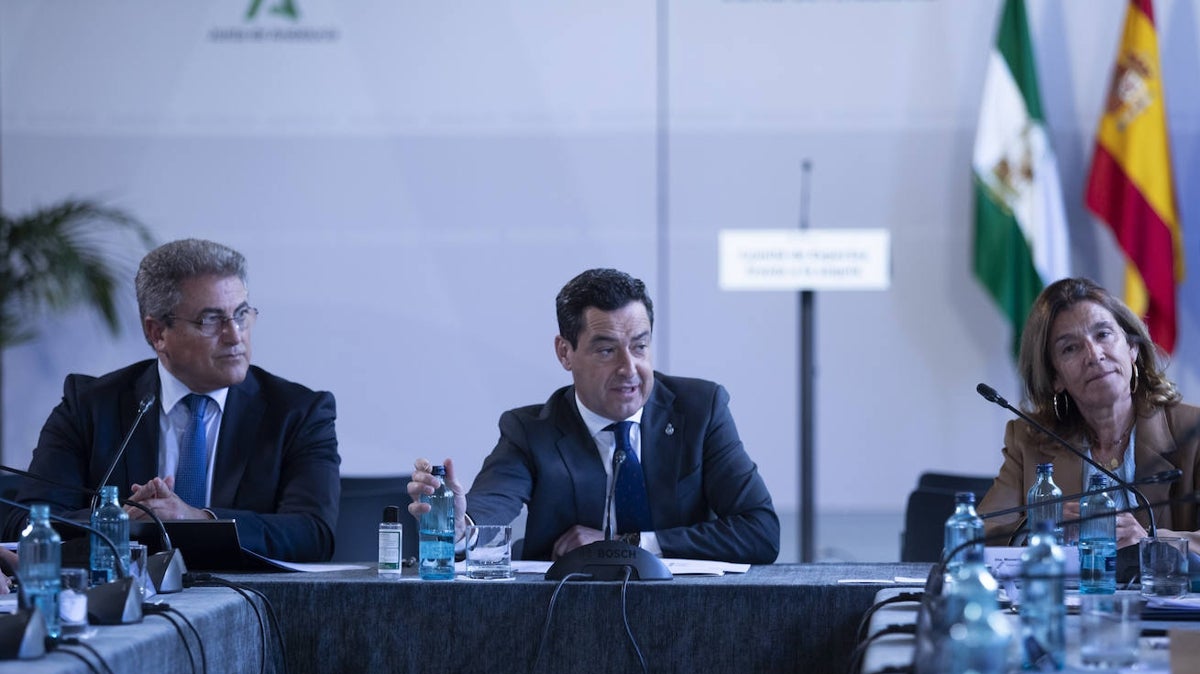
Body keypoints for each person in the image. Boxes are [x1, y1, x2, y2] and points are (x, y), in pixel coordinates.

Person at [407, 267, 780, 564]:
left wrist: (623, 544)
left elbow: (760, 531)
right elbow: (491, 507)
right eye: (606, 351)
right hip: (566, 620)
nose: (629, 368)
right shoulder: (531, 430)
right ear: (565, 353)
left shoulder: (700, 409)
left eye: (640, 346)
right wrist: (459, 526)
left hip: (687, 617)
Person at [1, 239, 341, 562]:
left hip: (252, 608)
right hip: (125, 607)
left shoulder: (298, 412)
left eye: (240, 314)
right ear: (157, 333)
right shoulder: (89, 406)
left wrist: (197, 519)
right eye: (211, 320)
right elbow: (26, 523)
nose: (235, 335)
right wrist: (120, 520)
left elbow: (313, 533)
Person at [978, 277, 1200, 552]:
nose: (1094, 355)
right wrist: (1038, 528)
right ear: (1055, 376)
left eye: (1103, 334)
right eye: (1070, 348)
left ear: (1132, 348)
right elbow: (979, 534)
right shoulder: (1029, 440)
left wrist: (1152, 540)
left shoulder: (1193, 431)